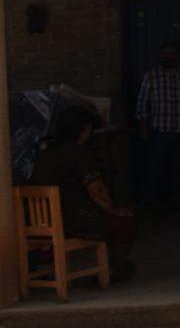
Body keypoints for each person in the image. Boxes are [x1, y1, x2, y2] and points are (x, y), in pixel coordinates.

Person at [31, 106, 138, 281]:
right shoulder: (79, 153)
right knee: (124, 221)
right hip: (71, 219)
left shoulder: (44, 154)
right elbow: (96, 190)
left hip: (41, 221)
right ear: (84, 130)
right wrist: (112, 210)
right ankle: (117, 268)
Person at [135, 41, 180, 207]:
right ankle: (149, 205)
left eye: (171, 54)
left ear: (178, 56)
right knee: (154, 168)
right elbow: (142, 102)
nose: (168, 56)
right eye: (165, 54)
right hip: (159, 130)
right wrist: (142, 124)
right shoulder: (152, 76)